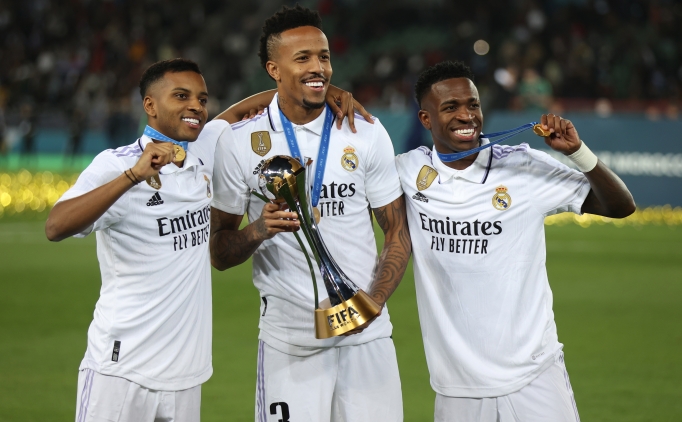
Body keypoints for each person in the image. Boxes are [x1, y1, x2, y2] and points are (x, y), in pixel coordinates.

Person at [45, 57, 363, 422]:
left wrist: (324, 92)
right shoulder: (116, 164)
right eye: (181, 96)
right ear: (150, 105)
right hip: (121, 369)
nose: (196, 106)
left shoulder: (203, 148)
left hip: (186, 375)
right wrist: (133, 176)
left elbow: (246, 108)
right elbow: (56, 226)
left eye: (202, 99)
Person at [395, 61, 635, 421]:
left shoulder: (523, 166)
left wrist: (578, 152)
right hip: (457, 388)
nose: (466, 116)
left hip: (534, 377)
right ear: (426, 119)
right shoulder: (407, 170)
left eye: (473, 105)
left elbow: (620, 206)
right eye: (451, 107)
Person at [208, 5, 411, 422]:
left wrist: (371, 303)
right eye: (302, 58)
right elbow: (219, 252)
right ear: (274, 69)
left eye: (324, 56)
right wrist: (258, 230)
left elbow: (397, 232)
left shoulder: (365, 131)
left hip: (367, 340)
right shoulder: (239, 142)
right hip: (289, 345)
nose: (318, 67)